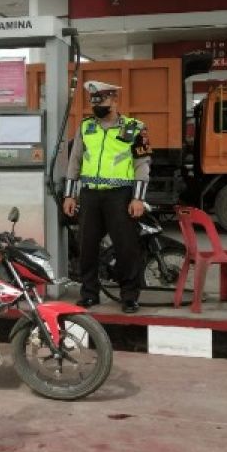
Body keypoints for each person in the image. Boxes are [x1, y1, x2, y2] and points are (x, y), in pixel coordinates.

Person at [62, 80, 151, 314]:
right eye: (94, 101)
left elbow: (142, 165)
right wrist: (70, 195)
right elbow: (75, 162)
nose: (97, 105)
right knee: (87, 245)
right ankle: (89, 294)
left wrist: (138, 198)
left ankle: (129, 296)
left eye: (101, 101)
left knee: (126, 247)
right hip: (90, 194)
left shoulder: (134, 127)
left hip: (120, 196)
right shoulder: (86, 127)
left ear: (114, 100)